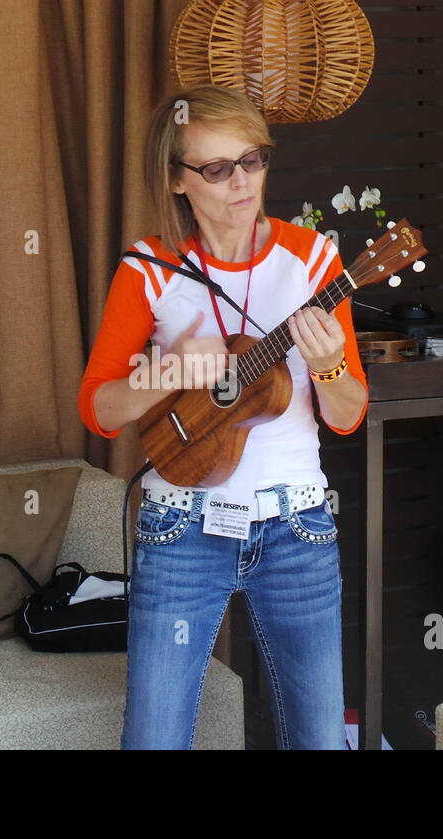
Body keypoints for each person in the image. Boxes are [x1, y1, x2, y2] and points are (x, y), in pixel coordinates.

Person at [79, 85, 368, 749]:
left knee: (320, 738)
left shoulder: (316, 261)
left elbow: (349, 414)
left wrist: (326, 369)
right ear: (177, 180)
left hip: (298, 522)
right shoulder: (148, 268)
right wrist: (170, 371)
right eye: (216, 168)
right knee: (154, 738)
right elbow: (97, 407)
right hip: (179, 526)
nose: (242, 182)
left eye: (253, 160)